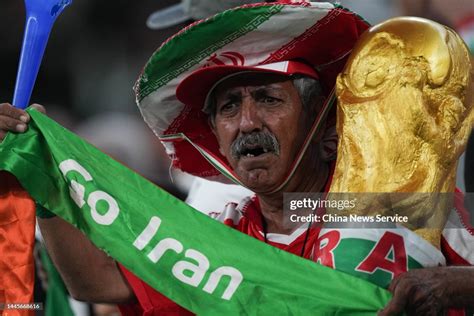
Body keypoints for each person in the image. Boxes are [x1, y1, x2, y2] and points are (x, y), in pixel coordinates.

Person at [0, 2, 473, 316]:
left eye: (267, 99)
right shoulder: (216, 235)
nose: (246, 122)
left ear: (324, 127)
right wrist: (44, 174)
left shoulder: (401, 203)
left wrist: (450, 286)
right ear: (218, 141)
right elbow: (98, 284)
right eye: (228, 108)